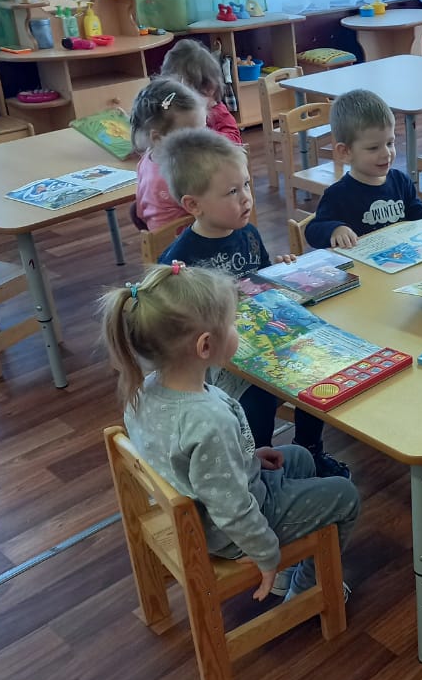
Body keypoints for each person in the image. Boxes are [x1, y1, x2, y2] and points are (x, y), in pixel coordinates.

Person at [100, 262, 359, 603]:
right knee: (345, 495)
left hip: (202, 506)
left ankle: (290, 569)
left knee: (299, 457)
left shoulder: (144, 390)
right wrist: (266, 553)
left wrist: (247, 457)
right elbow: (232, 508)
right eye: (233, 322)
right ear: (205, 346)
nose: (238, 328)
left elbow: (191, 462)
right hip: (227, 532)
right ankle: (307, 589)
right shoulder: (208, 420)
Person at [156, 127, 350, 478]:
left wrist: (282, 272)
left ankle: (310, 449)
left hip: (266, 336)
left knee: (314, 369)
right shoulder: (180, 261)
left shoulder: (247, 232)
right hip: (221, 361)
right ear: (193, 205)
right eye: (232, 191)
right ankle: (255, 468)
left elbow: (260, 281)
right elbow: (174, 332)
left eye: (246, 184)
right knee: (259, 398)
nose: (246, 198)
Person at [305, 89, 422, 249]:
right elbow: (313, 230)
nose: (386, 153)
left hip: (401, 256)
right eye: (373, 148)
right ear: (345, 152)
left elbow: (417, 211)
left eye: (390, 143)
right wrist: (334, 229)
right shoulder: (338, 194)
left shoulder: (401, 181)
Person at [129, 77, 206, 230]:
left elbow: (140, 212)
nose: (202, 141)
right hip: (184, 241)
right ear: (158, 138)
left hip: (158, 236)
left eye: (204, 129)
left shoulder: (147, 160)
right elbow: (212, 209)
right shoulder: (178, 173)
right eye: (189, 137)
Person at [161, 37, 242, 145]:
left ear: (209, 89)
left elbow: (235, 141)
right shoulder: (177, 113)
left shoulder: (218, 114)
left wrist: (202, 135)